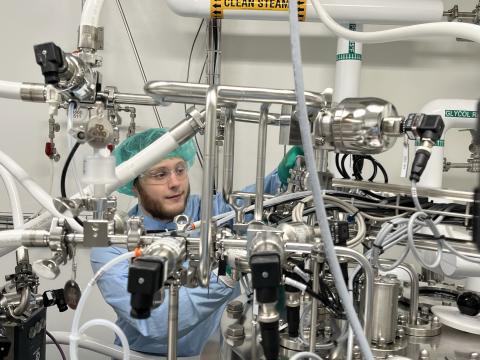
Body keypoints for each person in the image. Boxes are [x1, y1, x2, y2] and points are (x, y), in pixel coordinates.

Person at [90, 128, 303, 356]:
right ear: (134, 185)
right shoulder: (113, 244)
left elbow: (255, 203)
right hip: (144, 355)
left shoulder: (206, 211)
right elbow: (155, 323)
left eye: (180, 170)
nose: (175, 183)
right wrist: (225, 275)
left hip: (213, 351)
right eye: (160, 174)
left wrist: (284, 173)